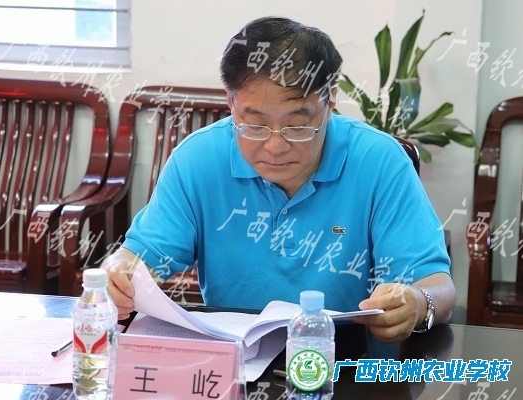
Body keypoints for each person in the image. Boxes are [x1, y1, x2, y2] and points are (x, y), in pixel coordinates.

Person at [102, 16, 456, 343]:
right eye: (254, 125)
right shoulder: (198, 159)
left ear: (330, 99)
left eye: (297, 126)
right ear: (231, 102)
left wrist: (417, 303)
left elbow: (437, 285)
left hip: (347, 360)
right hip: (236, 359)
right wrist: (117, 274)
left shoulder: (379, 161)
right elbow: (140, 258)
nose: (274, 146)